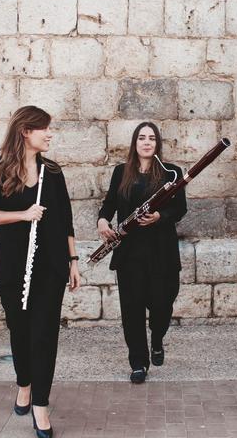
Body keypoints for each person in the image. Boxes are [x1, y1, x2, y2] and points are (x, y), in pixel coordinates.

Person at [0, 105, 80, 438]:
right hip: (12, 266)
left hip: (50, 266)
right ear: (26, 131)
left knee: (44, 335)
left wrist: (73, 260)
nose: (50, 134)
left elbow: (65, 219)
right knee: (20, 331)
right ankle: (24, 383)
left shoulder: (52, 171)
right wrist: (24, 214)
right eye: (45, 129)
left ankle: (40, 404)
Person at [97, 122, 187, 384]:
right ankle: (138, 362)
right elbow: (109, 204)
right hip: (130, 253)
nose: (147, 142)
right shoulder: (121, 172)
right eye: (141, 138)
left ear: (157, 143)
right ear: (135, 143)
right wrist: (103, 221)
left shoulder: (172, 172)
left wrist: (160, 216)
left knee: (162, 305)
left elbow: (180, 209)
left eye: (151, 138)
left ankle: (157, 338)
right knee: (132, 310)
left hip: (162, 252)